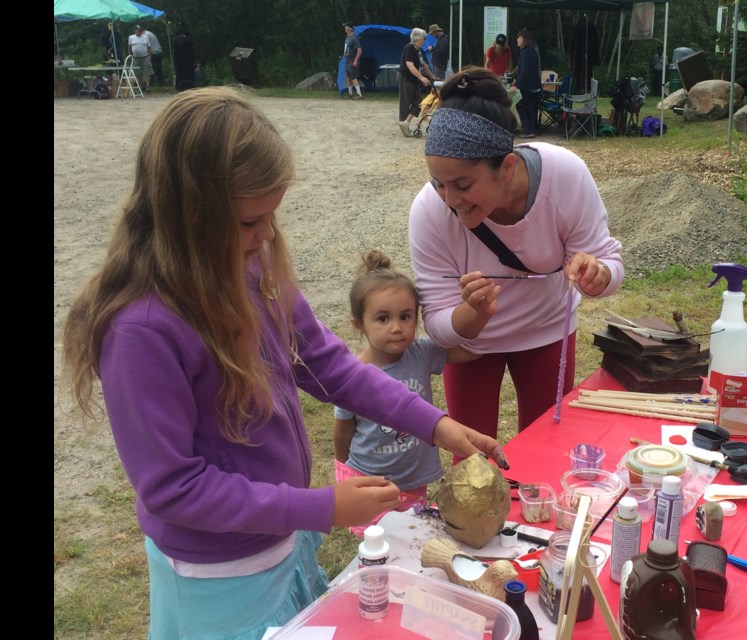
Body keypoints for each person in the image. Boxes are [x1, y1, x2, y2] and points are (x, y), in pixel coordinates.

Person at [60, 86, 507, 639]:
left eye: (273, 215)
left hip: (279, 541)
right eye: (250, 222)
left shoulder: (254, 266)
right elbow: (173, 487)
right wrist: (318, 506)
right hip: (216, 576)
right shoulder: (140, 330)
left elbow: (330, 366)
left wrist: (434, 424)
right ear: (190, 219)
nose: (269, 235)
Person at [408, 67, 624, 458]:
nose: (449, 199)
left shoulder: (565, 176)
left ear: (506, 167)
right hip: (472, 347)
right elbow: (439, 326)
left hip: (546, 333)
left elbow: (609, 262)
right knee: (471, 461)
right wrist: (472, 315)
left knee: (545, 452)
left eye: (463, 185)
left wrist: (598, 274)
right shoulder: (428, 211)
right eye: (439, 183)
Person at [333, 249, 481, 536]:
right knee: (377, 544)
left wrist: (478, 315)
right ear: (359, 324)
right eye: (383, 319)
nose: (397, 328)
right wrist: (344, 470)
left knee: (412, 535)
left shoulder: (421, 353)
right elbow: (343, 429)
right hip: (371, 480)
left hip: (415, 476)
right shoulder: (352, 374)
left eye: (406, 316)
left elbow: (468, 352)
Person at [398, 28, 436, 137]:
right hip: (406, 78)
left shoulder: (419, 50)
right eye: (424, 38)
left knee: (419, 103)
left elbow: (423, 64)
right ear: (418, 39)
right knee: (406, 101)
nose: (425, 40)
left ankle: (405, 123)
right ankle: (404, 124)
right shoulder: (409, 48)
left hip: (414, 78)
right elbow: (410, 65)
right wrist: (422, 78)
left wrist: (431, 76)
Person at [512, 29, 541, 138]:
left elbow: (524, 71)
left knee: (522, 106)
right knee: (532, 108)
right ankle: (533, 128)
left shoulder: (525, 52)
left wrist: (517, 84)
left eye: (519, 37)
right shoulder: (533, 51)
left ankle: (528, 130)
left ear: (524, 39)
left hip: (527, 86)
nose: (517, 39)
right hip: (535, 85)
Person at [128, 24, 153, 92]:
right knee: (138, 72)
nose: (139, 32)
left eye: (140, 30)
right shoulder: (131, 37)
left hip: (145, 56)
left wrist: (150, 55)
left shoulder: (145, 37)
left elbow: (149, 46)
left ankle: (147, 86)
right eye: (138, 30)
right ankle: (141, 85)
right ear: (135, 31)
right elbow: (129, 47)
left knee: (147, 71)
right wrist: (130, 55)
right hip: (136, 57)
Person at [342, 22, 363, 99]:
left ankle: (359, 94)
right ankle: (350, 94)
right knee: (348, 78)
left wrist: (355, 60)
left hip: (352, 61)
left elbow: (359, 50)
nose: (344, 28)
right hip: (347, 60)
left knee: (353, 78)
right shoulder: (347, 36)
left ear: (350, 29)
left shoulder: (355, 38)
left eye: (346, 27)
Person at [172, 23, 196, 91]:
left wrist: (175, 60)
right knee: (189, 74)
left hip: (179, 60)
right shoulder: (189, 40)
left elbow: (175, 51)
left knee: (180, 74)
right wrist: (194, 60)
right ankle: (190, 86)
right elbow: (192, 51)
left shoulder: (176, 40)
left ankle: (179, 86)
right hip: (188, 60)